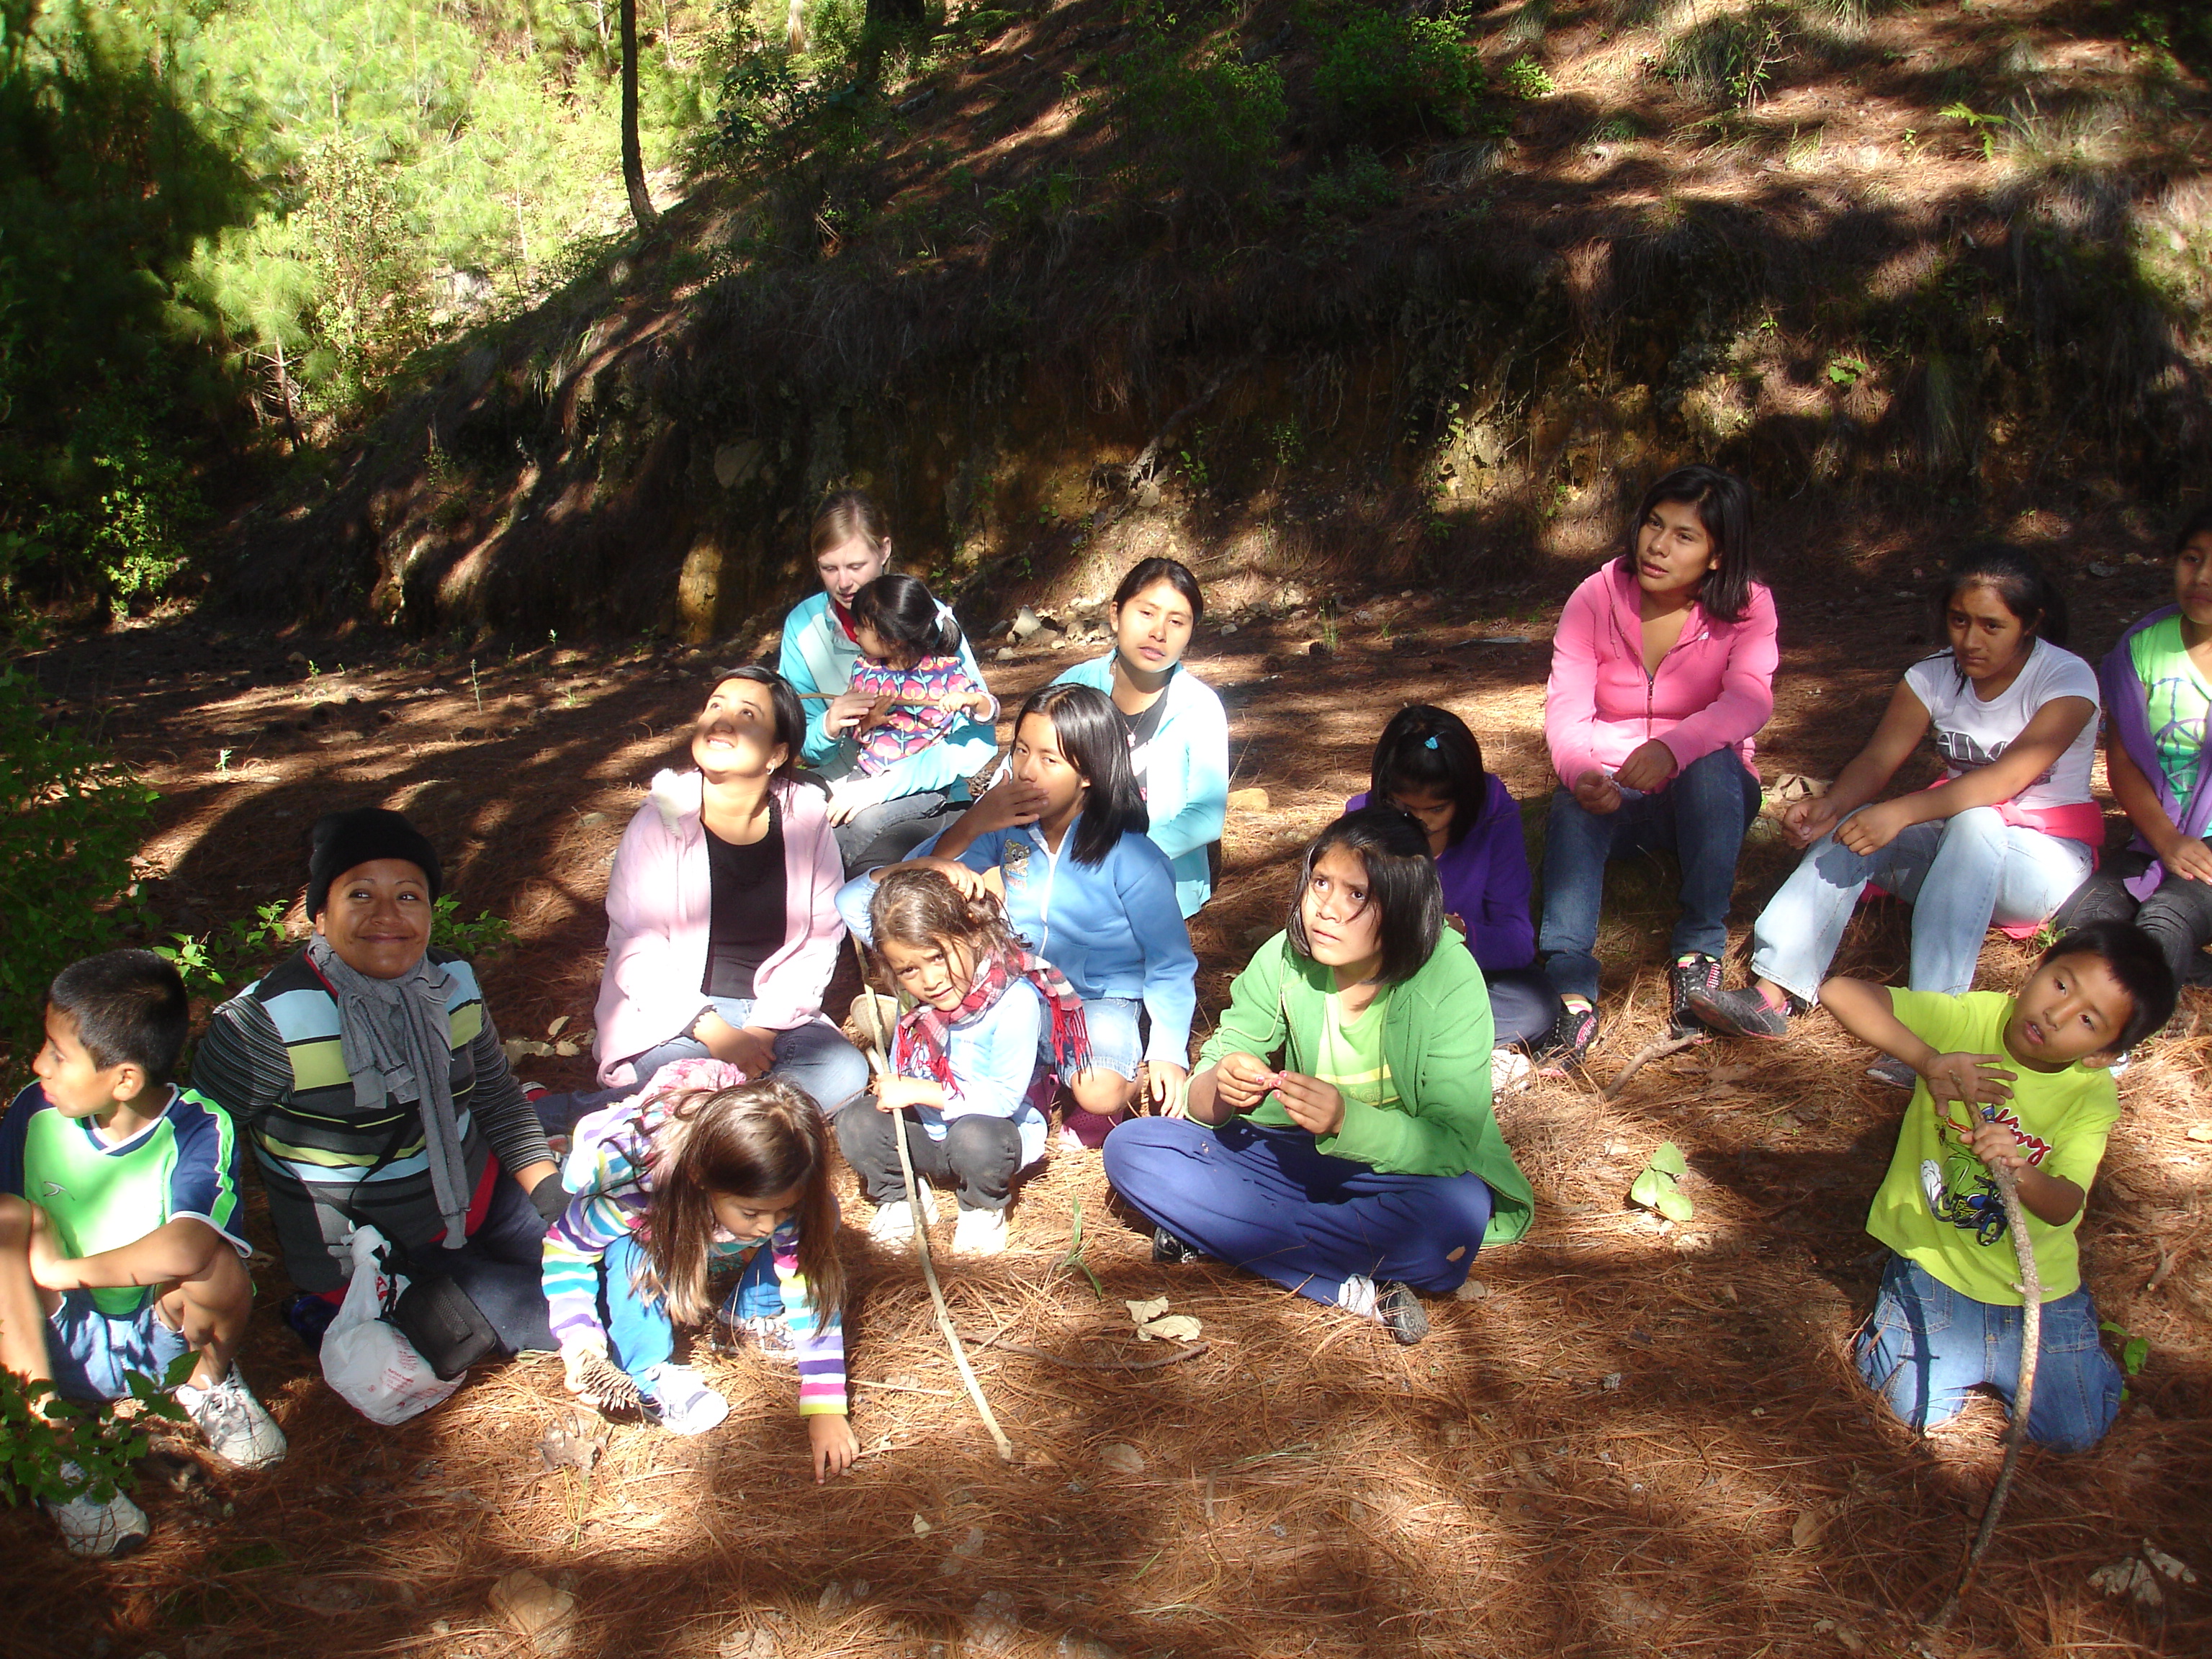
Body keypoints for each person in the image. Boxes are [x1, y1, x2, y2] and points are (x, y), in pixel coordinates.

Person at [1102, 808, 1535, 1346]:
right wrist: (1221, 1084)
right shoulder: (1286, 957)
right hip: (1290, 1152)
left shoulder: (1449, 976)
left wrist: (1345, 1121)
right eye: (1321, 883)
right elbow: (1215, 1074)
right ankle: (1348, 1283)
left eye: (1357, 895)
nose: (1326, 909)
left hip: (1401, 1171)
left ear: (1404, 905)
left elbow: (1449, 1142)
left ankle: (1213, 1232)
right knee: (1133, 1149)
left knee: (1455, 1216)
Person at [1693, 549, 2101, 1087]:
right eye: (1959, 620)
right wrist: (1831, 808)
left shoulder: (2066, 679)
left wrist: (1902, 813)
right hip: (1959, 851)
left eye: (1992, 626)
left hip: (2043, 863)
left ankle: (1933, 1024)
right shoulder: (1932, 675)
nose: (1971, 640)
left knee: (1976, 819)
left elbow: (2004, 781)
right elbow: (1877, 760)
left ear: (2031, 623)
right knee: (1859, 823)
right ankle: (1774, 991)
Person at [194, 809, 565, 1360]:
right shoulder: (265, 1024)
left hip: (482, 1196)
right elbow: (198, 1146)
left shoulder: (452, 982)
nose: (387, 915)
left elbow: (496, 1096)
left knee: (622, 1265)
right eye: (361, 895)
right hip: (373, 1254)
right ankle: (331, 1313)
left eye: (409, 895)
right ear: (321, 916)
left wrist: (552, 1196)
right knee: (565, 1318)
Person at [1820, 922, 2173, 1452]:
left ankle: (2071, 1347)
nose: (2056, 1014)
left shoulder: (2090, 1097)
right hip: (1938, 1269)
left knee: (2075, 1431)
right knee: (1906, 1406)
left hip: (2037, 1292)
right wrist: (1928, 1062)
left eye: (2087, 1019)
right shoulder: (1975, 1020)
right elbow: (1839, 992)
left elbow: (2065, 1205)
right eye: (2061, 984)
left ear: (2103, 1053)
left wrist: (2020, 1171)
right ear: (2038, 967)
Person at [0, 951, 285, 1557]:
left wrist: (64, 1269)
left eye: (58, 1053)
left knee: (214, 1262)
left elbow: (187, 1243)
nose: (38, 1064)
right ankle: (54, 1448)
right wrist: (41, 1261)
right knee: (6, 1221)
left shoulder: (197, 1125)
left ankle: (206, 1385)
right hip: (51, 1335)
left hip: (159, 1338)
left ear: (125, 1079)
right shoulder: (33, 1110)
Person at [840, 683, 1198, 1149]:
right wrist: (972, 824)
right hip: (1013, 996)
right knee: (946, 1058)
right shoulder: (1004, 834)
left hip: (1098, 1001)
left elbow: (1170, 962)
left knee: (1098, 1091)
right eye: (1022, 751)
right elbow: (865, 904)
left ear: (1089, 773)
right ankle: (1034, 1072)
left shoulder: (1131, 858)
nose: (1027, 771)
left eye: (1049, 759)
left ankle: (1120, 1070)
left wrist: (1168, 1049)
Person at [1536, 464, 1776, 1068]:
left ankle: (1698, 956)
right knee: (1572, 806)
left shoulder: (1747, 606)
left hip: (1706, 795)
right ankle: (1568, 990)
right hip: (1616, 790)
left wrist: (1676, 747)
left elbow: (1750, 700)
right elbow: (1565, 708)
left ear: (1718, 555)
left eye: (1684, 536)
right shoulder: (1595, 597)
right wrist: (1582, 773)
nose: (1658, 546)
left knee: (1712, 768)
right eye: (1653, 524)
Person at [544, 1065, 855, 1478]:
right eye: (753, 1213)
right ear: (700, 1178)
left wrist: (826, 1405)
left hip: (709, 1227)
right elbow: (566, 1252)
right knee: (633, 1250)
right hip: (659, 1223)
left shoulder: (770, 1197)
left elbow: (808, 1286)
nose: (768, 1226)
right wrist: (579, 1337)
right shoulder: (631, 1190)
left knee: (818, 1217)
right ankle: (648, 1371)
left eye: (781, 1209)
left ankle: (747, 1313)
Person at [588, 668, 868, 1118]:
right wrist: (715, 1032)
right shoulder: (661, 819)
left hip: (774, 1016)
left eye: (747, 714)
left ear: (777, 754)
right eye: (715, 706)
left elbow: (820, 939)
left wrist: (762, 1030)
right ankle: (745, 1117)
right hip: (678, 1021)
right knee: (677, 1073)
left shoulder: (807, 820)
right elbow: (636, 948)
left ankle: (706, 1117)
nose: (722, 721)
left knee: (842, 1073)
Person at [838, 868, 1090, 1256]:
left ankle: (981, 1207)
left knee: (976, 1137)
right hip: (930, 1132)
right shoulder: (918, 1003)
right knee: (856, 1119)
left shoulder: (1014, 1000)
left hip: (987, 1136)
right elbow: (849, 899)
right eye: (909, 970)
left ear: (972, 933)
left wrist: (919, 1091)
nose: (930, 980)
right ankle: (903, 1198)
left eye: (937, 957)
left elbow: (1003, 1099)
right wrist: (927, 863)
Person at [776, 490, 998, 873]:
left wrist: (885, 786)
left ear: (884, 551)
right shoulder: (803, 626)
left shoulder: (925, 618)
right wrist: (829, 726)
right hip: (842, 779)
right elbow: (801, 744)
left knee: (865, 858)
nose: (844, 583)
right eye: (829, 569)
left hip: (925, 788)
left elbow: (975, 741)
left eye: (856, 566)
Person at [2049, 505, 2212, 993]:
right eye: (2192, 558)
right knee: (2080, 920)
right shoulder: (2141, 647)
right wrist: (2168, 841)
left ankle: (2129, 1021)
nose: (2202, 577)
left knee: (2166, 918)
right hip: (2160, 836)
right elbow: (2122, 764)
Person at [1346, 705, 1557, 1052]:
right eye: (1405, 809)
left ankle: (1398, 1042)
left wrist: (1461, 933)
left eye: (1437, 809)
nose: (1420, 822)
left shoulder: (1494, 816)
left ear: (1465, 798)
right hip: (1385, 977)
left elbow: (1517, 940)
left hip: (1468, 976)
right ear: (1385, 794)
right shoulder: (1363, 821)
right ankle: (1429, 1043)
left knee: (1534, 1008)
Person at [1050, 557, 1229, 917]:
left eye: (1176, 622)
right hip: (1066, 879)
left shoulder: (1199, 706)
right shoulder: (1074, 687)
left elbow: (1206, 816)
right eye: (1146, 613)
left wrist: (1121, 859)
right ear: (1116, 615)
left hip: (1158, 889)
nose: (1159, 633)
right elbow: (1025, 769)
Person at [827, 572, 997, 860]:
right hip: (868, 769)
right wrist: (866, 724)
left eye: (862, 626)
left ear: (892, 639)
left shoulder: (944, 672)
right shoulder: (865, 670)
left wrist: (973, 701)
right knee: (834, 820)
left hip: (922, 787)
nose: (854, 631)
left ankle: (849, 876)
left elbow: (988, 712)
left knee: (866, 824)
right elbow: (856, 731)